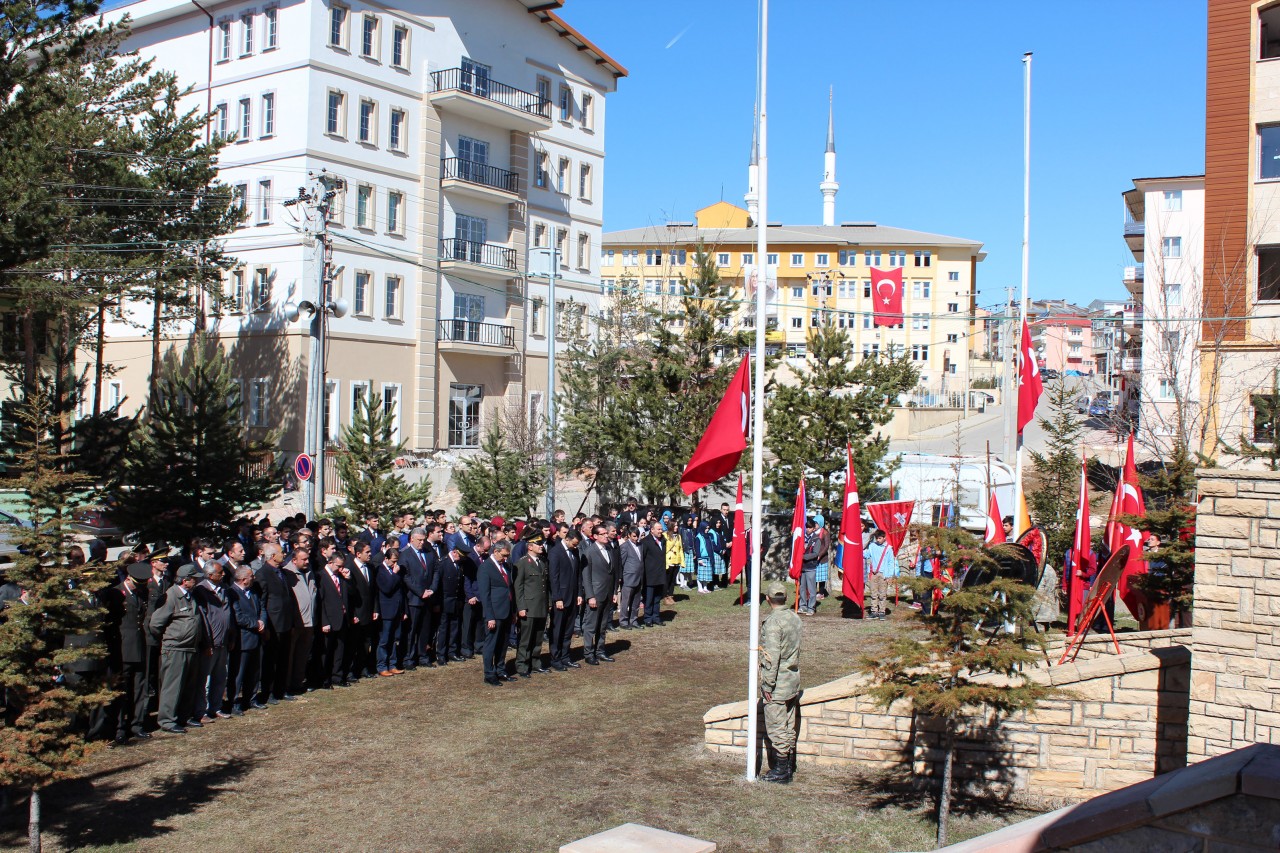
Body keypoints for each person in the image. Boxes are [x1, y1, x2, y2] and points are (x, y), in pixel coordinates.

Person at [99, 561, 153, 744]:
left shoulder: (142, 592)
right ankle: (119, 728)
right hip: (122, 649)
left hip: (139, 646)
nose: (141, 587)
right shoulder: (115, 594)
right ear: (129, 579)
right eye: (138, 583)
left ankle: (136, 724)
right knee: (122, 691)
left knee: (139, 688)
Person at [149, 564, 206, 734]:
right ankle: (167, 720)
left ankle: (183, 717)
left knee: (188, 686)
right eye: (193, 578)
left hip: (190, 648)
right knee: (172, 686)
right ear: (185, 580)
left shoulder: (190, 596)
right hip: (175, 649)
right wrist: (171, 638)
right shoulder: (171, 596)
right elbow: (155, 623)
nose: (196, 581)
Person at [759, 581, 802, 784]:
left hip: (778, 684)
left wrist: (767, 684)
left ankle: (782, 770)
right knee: (789, 725)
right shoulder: (794, 617)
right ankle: (790, 763)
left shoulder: (774, 623)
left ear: (768, 599)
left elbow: (771, 656)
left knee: (777, 727)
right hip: (792, 680)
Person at [192, 561, 235, 722]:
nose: (223, 574)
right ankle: (200, 711)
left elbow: (228, 614)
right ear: (210, 575)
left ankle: (215, 707)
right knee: (206, 680)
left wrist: (231, 636)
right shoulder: (201, 591)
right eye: (219, 572)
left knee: (220, 677)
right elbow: (202, 619)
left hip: (223, 641)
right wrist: (206, 643)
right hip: (209, 644)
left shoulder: (224, 589)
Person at [253, 542, 296, 705]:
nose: (284, 554)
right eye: (281, 552)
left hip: (285, 622)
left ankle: (281, 689)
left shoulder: (282, 572)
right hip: (273, 623)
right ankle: (268, 691)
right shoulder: (262, 574)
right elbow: (262, 601)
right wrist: (264, 625)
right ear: (272, 556)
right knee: (270, 660)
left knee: (284, 658)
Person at [227, 565, 266, 713]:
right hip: (242, 640)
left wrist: (262, 621)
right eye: (251, 576)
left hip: (256, 637)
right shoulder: (232, 593)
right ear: (244, 580)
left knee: (254, 671)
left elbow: (262, 607)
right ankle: (235, 701)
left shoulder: (253, 591)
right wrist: (256, 623)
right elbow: (238, 616)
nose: (253, 578)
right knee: (238, 673)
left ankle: (251, 698)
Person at [511, 531, 550, 678]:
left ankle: (536, 663)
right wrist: (520, 607)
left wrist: (549, 603)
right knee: (526, 639)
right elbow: (518, 588)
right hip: (528, 607)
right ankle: (522, 665)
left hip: (541, 606)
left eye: (541, 544)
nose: (541, 546)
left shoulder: (543, 561)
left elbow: (546, 585)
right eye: (538, 544)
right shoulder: (522, 563)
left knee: (538, 637)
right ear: (530, 546)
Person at [476, 541, 515, 686]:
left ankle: (500, 669)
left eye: (507, 556)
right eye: (504, 555)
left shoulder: (505, 566)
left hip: (506, 611)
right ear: (496, 551)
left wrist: (513, 612)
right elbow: (485, 595)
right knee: (491, 644)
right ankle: (489, 674)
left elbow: (509, 588)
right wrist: (489, 616)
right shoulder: (485, 568)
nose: (505, 558)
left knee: (503, 644)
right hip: (494, 613)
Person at [581, 524, 618, 665]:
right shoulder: (589, 552)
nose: (606, 536)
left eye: (605, 533)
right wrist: (590, 596)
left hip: (607, 593)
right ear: (595, 536)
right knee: (591, 626)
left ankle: (600, 650)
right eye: (602, 534)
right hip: (595, 594)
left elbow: (613, 573)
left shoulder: (609, 549)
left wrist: (614, 591)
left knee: (602, 625)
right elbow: (586, 576)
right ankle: (589, 653)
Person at [344, 538, 379, 680]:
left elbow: (373, 591)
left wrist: (375, 609)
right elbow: (348, 594)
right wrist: (352, 613)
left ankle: (363, 667)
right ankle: (351, 671)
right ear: (358, 554)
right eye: (367, 552)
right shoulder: (349, 568)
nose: (370, 554)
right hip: (356, 613)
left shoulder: (370, 567)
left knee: (366, 642)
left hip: (368, 611)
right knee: (353, 643)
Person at [548, 528, 583, 671]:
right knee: (557, 630)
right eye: (574, 544)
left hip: (573, 597)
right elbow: (553, 577)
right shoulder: (555, 552)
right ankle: (555, 658)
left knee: (568, 630)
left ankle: (565, 656)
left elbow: (578, 575)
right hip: (561, 599)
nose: (576, 547)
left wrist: (579, 593)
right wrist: (557, 598)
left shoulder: (574, 552)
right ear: (567, 539)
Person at [316, 551, 351, 688]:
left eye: (342, 566)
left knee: (339, 649)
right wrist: (324, 621)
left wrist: (347, 579)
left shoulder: (340, 576)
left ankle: (338, 676)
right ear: (330, 562)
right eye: (338, 566)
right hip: (329, 620)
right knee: (327, 651)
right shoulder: (321, 576)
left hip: (342, 618)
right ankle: (324, 678)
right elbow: (321, 601)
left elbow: (350, 594)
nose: (340, 569)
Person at [431, 543, 465, 665]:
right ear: (455, 552)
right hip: (444, 601)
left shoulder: (458, 564)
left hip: (455, 601)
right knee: (443, 629)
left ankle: (452, 652)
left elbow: (459, 583)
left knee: (454, 628)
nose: (461, 559)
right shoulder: (443, 563)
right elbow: (437, 584)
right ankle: (441, 655)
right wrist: (436, 602)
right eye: (460, 556)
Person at [375, 547, 406, 675]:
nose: (395, 564)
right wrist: (394, 574)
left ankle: (392, 664)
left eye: (396, 561)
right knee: (384, 640)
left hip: (397, 609)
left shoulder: (397, 571)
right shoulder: (380, 571)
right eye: (393, 561)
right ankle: (382, 666)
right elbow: (387, 588)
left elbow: (401, 592)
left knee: (394, 639)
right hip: (386, 610)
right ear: (386, 559)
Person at [863, 529, 899, 619]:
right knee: (873, 593)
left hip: (883, 573)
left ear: (884, 538)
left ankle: (882, 611)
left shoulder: (888, 548)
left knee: (882, 594)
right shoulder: (872, 546)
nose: (878, 540)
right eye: (877, 538)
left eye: (879, 538)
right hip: (873, 573)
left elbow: (891, 562)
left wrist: (889, 575)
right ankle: (874, 611)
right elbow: (866, 555)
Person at [639, 522, 667, 628]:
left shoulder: (663, 540)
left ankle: (656, 617)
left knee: (657, 598)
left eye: (661, 529)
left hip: (660, 574)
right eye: (658, 529)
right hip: (649, 575)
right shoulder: (645, 542)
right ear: (652, 530)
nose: (660, 531)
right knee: (649, 599)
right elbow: (642, 559)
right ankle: (647, 618)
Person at [618, 526, 644, 629]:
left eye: (637, 536)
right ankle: (623, 621)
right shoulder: (624, 547)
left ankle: (634, 620)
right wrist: (621, 577)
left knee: (636, 601)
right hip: (628, 578)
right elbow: (622, 563)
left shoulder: (640, 545)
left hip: (639, 577)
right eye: (634, 536)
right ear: (628, 535)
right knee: (626, 601)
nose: (636, 538)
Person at [798, 517, 821, 616]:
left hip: (810, 566)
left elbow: (815, 553)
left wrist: (803, 557)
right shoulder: (802, 538)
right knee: (802, 588)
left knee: (811, 589)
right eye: (807, 527)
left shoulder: (816, 539)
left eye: (810, 528)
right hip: (802, 567)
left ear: (814, 528)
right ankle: (802, 606)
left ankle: (811, 607)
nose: (808, 529)